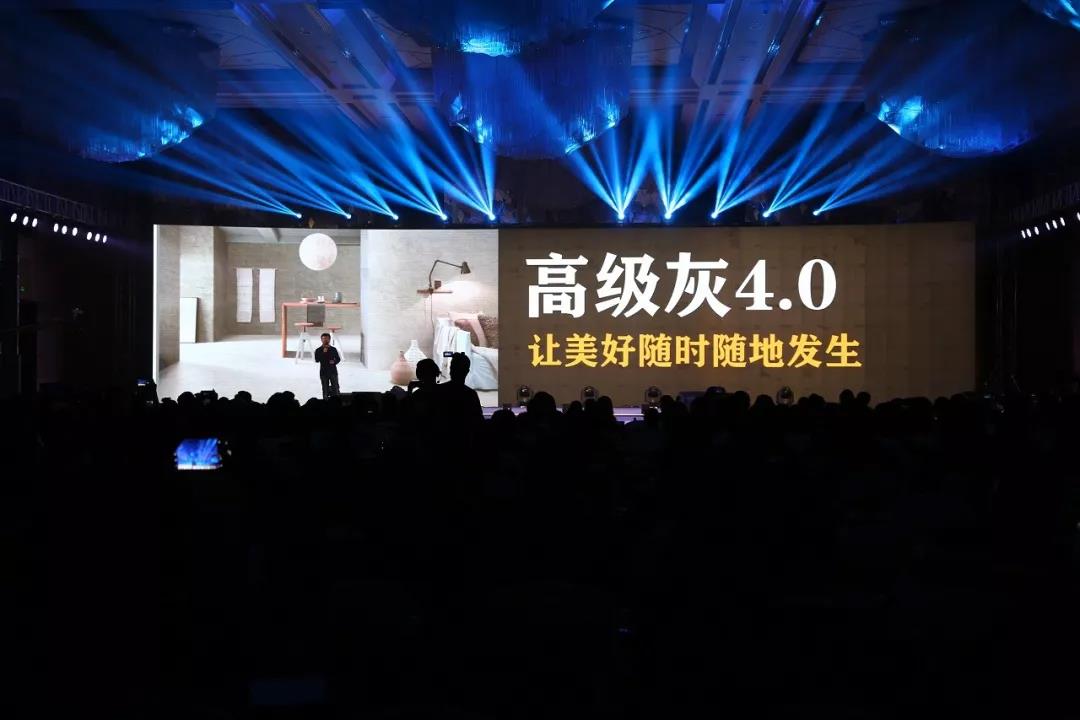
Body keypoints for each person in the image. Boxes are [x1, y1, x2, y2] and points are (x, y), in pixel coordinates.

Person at [313, 332, 341, 399]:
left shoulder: (333, 349)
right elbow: (317, 360)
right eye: (323, 339)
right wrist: (323, 352)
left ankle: (336, 402)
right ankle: (325, 402)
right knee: (325, 389)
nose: (325, 340)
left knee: (335, 388)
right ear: (321, 340)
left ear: (329, 339)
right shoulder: (318, 350)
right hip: (323, 372)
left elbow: (338, 359)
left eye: (327, 339)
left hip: (333, 371)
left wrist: (334, 362)